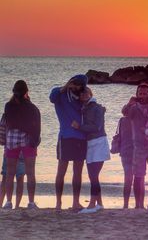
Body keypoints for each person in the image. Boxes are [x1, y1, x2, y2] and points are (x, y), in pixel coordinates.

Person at [50, 75, 88, 211]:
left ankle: (75, 202)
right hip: (65, 136)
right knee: (61, 170)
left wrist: (85, 98)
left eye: (81, 85)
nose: (78, 88)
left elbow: (90, 110)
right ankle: (58, 203)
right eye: (77, 84)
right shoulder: (60, 94)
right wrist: (66, 87)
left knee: (78, 171)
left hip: (81, 137)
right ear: (71, 83)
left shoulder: (83, 98)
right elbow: (52, 98)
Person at [71, 87, 110, 214]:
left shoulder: (97, 108)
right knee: (92, 175)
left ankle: (92, 204)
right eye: (81, 93)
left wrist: (79, 127)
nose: (83, 95)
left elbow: (97, 127)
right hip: (89, 144)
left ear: (90, 94)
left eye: (86, 92)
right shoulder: (83, 108)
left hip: (98, 142)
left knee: (94, 175)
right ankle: (99, 203)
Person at [3, 80, 41, 209]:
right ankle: (31, 202)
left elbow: (9, 123)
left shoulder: (8, 106)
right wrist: (35, 141)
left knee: (10, 173)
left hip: (12, 139)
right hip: (27, 139)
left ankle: (8, 202)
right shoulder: (31, 107)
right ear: (26, 92)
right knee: (30, 173)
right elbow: (36, 126)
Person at [122, 83, 148, 209]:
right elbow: (125, 113)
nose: (142, 96)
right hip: (139, 146)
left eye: (145, 93)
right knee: (139, 176)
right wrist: (130, 103)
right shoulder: (133, 108)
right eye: (140, 93)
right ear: (137, 95)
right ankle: (138, 205)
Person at [118, 116, 134, 209]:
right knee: (138, 178)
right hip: (135, 151)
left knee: (127, 178)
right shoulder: (137, 118)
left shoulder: (122, 120)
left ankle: (126, 204)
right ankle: (139, 204)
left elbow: (120, 135)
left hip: (124, 151)